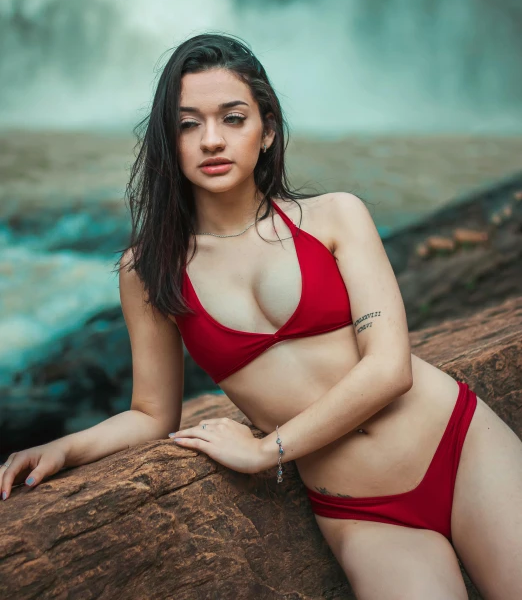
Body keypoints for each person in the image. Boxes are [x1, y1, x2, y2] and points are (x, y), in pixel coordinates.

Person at [1, 33, 521, 600]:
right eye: (188, 124)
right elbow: (152, 413)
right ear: (166, 141)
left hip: (461, 446)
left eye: (233, 117)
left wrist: (264, 450)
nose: (212, 140)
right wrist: (64, 447)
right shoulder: (148, 270)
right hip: (366, 512)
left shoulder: (335, 217)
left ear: (267, 130)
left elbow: (389, 368)